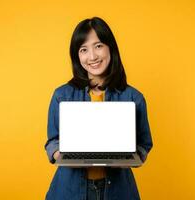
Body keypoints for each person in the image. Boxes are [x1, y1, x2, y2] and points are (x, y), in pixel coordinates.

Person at [44, 17, 153, 200]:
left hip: (118, 191)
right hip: (69, 191)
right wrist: (64, 154)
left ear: (110, 48)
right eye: (84, 50)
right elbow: (52, 141)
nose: (92, 56)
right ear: (77, 56)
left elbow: (144, 144)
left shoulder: (133, 98)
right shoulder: (61, 95)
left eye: (98, 46)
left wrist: (130, 156)